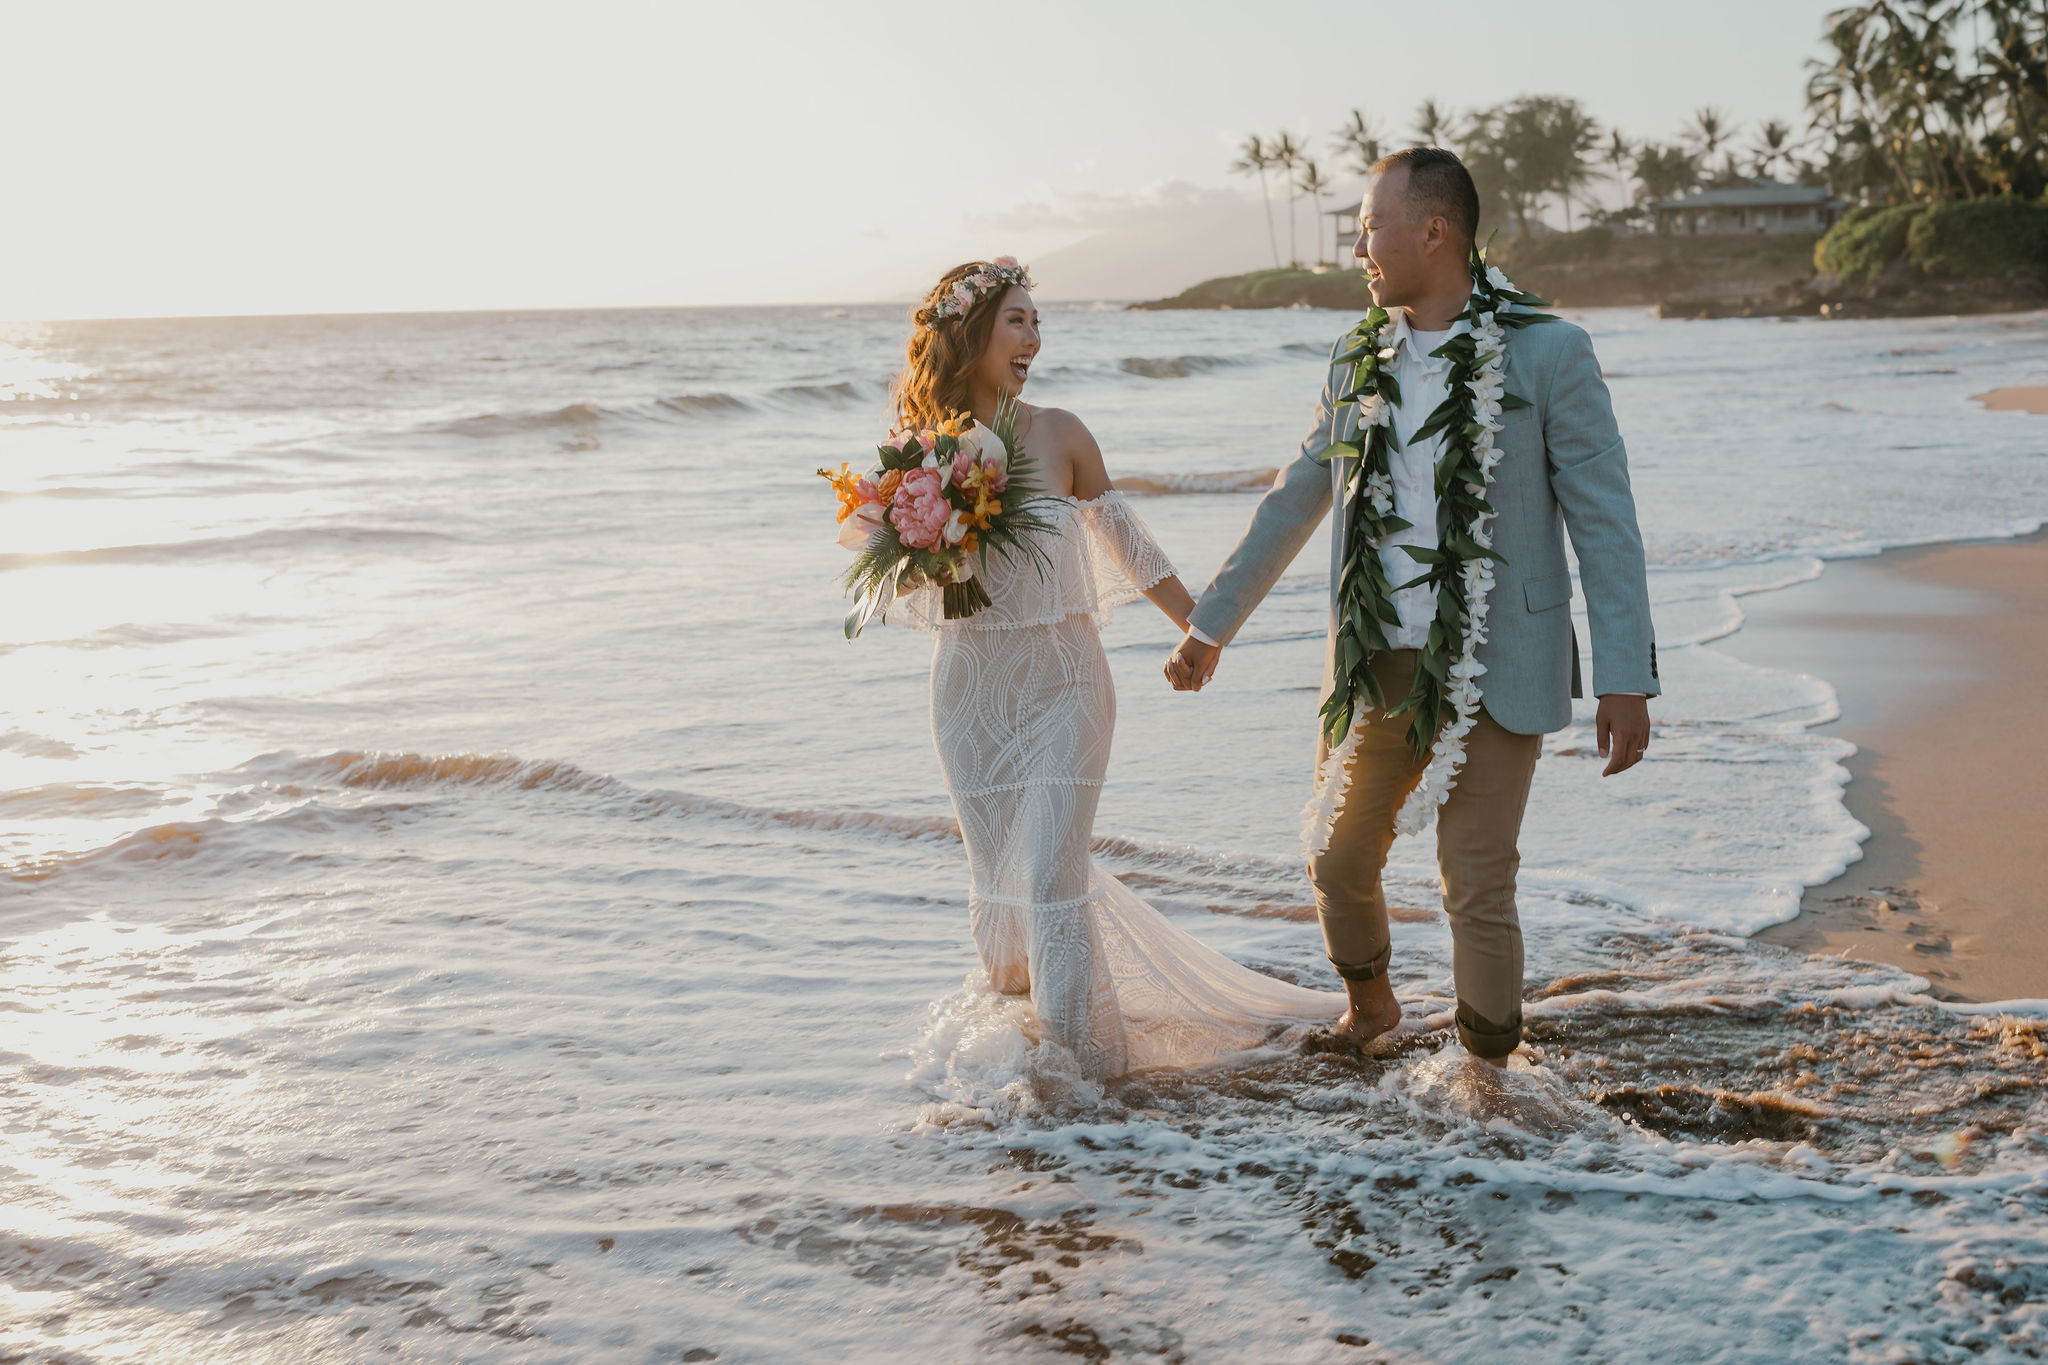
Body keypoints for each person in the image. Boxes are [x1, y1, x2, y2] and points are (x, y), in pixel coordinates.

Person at [1165, 148, 1659, 1067]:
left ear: (1433, 231)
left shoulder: (1551, 353)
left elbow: (1606, 521)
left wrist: (1625, 677)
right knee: (1335, 857)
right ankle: (1373, 1004)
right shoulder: (1357, 356)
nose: (1358, 244)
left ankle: (1487, 1076)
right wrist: (1209, 624)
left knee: (1475, 882)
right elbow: (1294, 497)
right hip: (1377, 662)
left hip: (1495, 655)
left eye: (1370, 223)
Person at [888, 259, 1341, 1079]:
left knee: (1055, 873)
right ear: (970, 334)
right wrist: (926, 536)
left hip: (1066, 685)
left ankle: (1085, 1083)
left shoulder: (1063, 433)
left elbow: (1128, 545)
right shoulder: (920, 455)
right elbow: (910, 582)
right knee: (998, 880)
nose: (1033, 337)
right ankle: (1015, 1066)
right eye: (1016, 321)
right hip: (968, 694)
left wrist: (1205, 632)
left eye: (1036, 321)